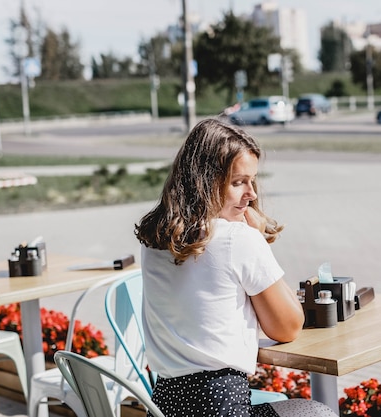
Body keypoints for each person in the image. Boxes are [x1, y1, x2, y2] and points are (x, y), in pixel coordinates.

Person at [135, 118, 338, 417]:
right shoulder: (236, 239)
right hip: (221, 408)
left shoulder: (157, 238)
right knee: (318, 413)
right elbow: (288, 326)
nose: (252, 194)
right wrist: (259, 241)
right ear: (204, 182)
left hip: (164, 406)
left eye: (252, 181)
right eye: (238, 182)